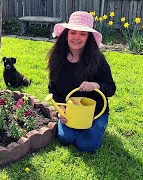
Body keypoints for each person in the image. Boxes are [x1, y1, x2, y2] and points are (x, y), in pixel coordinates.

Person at [47, 11, 116, 153]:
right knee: (65, 139)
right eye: (73, 33)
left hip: (95, 112)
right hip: (72, 110)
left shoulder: (98, 59)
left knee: (86, 146)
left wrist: (96, 85)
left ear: (88, 37)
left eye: (82, 34)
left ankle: (97, 126)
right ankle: (79, 129)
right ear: (66, 34)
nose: (76, 37)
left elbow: (111, 88)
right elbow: (52, 87)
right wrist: (61, 109)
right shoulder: (57, 57)